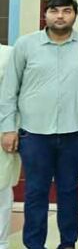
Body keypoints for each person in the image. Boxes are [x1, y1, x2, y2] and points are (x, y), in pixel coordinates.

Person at [0, 0, 78, 249]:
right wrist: (8, 128)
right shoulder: (25, 44)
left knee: (68, 190)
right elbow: (9, 90)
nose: (60, 16)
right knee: (35, 192)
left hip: (74, 132)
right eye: (54, 11)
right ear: (46, 14)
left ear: (75, 14)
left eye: (66, 11)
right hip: (33, 134)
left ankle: (68, 243)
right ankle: (34, 245)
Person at [0, 43, 20, 249]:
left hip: (2, 131)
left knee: (2, 188)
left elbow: (16, 94)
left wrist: (11, 129)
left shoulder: (8, 54)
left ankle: (2, 242)